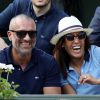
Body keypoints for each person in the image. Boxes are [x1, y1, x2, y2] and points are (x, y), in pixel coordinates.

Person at [0, 14, 61, 94]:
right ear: (9, 35)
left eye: (32, 33)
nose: (27, 38)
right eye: (21, 33)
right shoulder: (1, 59)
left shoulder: (48, 62)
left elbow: (52, 98)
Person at [50, 16, 100, 95]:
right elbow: (74, 98)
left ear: (85, 39)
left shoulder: (96, 52)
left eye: (81, 35)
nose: (76, 41)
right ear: (62, 43)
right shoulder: (60, 66)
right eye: (70, 37)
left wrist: (97, 81)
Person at [0, 0, 67, 54]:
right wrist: (4, 49)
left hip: (42, 68)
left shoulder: (62, 20)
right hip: (13, 65)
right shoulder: (18, 5)